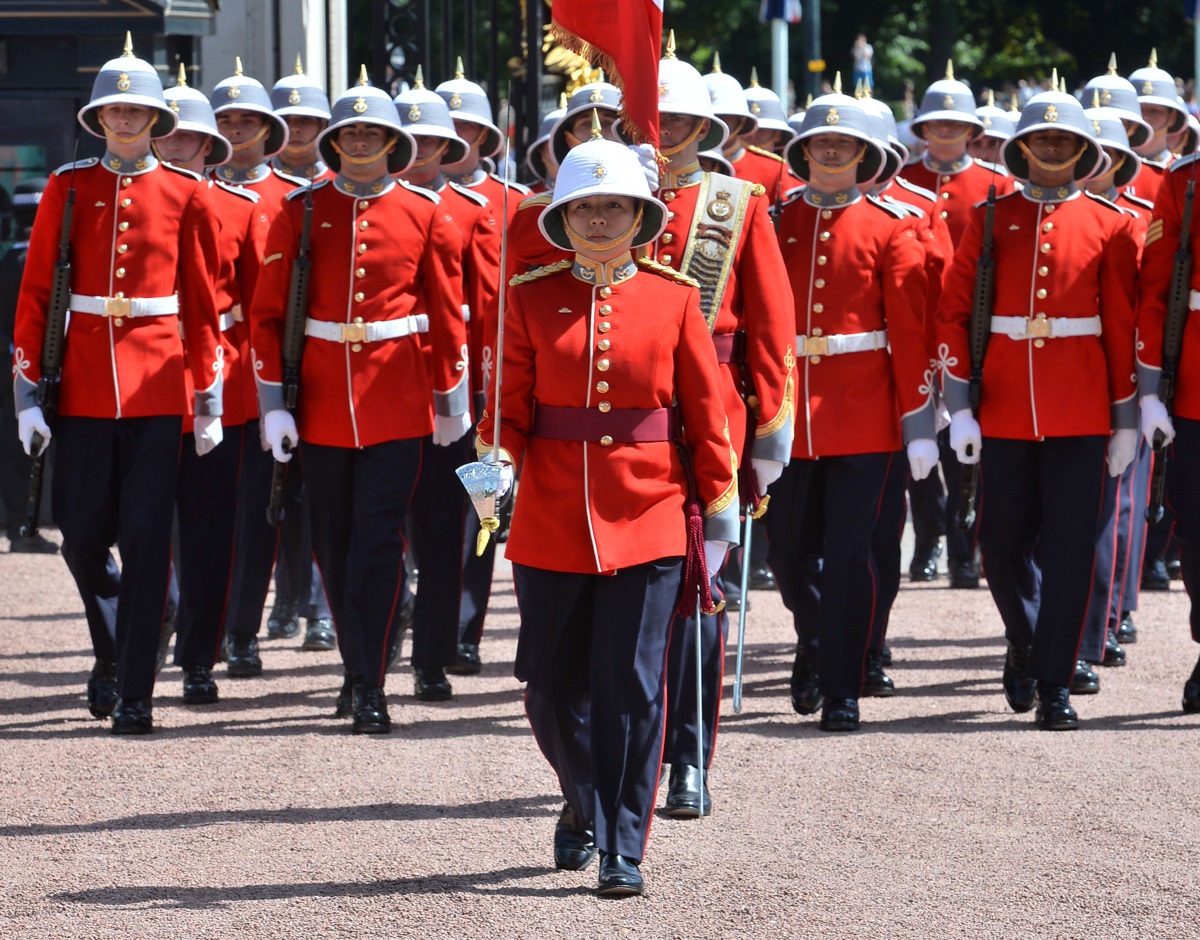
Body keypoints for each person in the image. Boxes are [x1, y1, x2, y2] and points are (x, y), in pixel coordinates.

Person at [476, 123, 738, 897]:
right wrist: (495, 465)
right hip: (553, 514)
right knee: (550, 682)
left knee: (631, 682)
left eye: (613, 207)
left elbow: (703, 414)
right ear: (561, 217)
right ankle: (581, 798)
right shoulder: (529, 300)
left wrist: (717, 514)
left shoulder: (674, 296)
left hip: (651, 509)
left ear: (639, 216)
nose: (598, 220)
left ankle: (624, 844)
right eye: (584, 207)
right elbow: (510, 412)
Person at [12, 36, 222, 734]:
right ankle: (116, 644)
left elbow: (202, 301)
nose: (125, 121)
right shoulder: (68, 186)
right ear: (99, 119)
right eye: (114, 111)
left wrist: (208, 395)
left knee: (143, 537)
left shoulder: (188, 193)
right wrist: (24, 394)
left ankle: (135, 691)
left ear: (157, 119)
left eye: (137, 111)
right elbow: (38, 293)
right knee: (79, 537)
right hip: (83, 391)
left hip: (159, 387)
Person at [250, 72, 470, 733]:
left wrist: (449, 396)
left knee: (378, 542)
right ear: (335, 141)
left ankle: (368, 682)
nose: (361, 141)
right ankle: (355, 665)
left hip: (397, 400)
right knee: (335, 544)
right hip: (318, 401)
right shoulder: (302, 209)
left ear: (393, 141)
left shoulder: (427, 213)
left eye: (373, 131)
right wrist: (273, 404)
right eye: (350, 132)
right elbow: (267, 314)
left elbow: (447, 312)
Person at [936, 88, 1139, 731]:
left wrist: (1126, 415)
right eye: (1041, 140)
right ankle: (1025, 639)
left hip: (1081, 411)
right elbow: (955, 310)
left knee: (1073, 549)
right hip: (1003, 410)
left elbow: (1122, 324)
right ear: (1022, 149)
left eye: (1063, 141)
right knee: (999, 546)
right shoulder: (992, 216)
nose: (1052, 149)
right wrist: (960, 406)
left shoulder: (1110, 224)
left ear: (1083, 151)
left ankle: (1054, 682)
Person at [638, 38, 795, 816]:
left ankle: (689, 760)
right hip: (626, 420)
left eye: (678, 117)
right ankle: (636, 750)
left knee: (701, 594)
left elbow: (770, 328)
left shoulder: (740, 204)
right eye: (653, 112)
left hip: (715, 421)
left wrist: (768, 439)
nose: (663, 127)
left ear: (704, 128)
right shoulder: (606, 192)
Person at [769, 91, 935, 732]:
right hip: (787, 411)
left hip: (864, 414)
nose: (830, 150)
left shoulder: (890, 225)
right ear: (804, 150)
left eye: (842, 144)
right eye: (820, 142)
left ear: (864, 153)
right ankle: (815, 639)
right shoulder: (778, 220)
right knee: (785, 553)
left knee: (848, 554)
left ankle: (842, 683)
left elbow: (909, 332)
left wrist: (919, 421)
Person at [153, 64, 267, 706]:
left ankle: (202, 650)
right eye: (165, 133)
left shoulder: (237, 206)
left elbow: (256, 305)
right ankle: (154, 621)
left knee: (209, 525)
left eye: (186, 138)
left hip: (216, 376)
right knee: (135, 522)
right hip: (139, 376)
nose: (174, 145)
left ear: (206, 147)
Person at [206, 58, 318, 675]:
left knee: (261, 510)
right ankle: (198, 615)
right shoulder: (200, 190)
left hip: (273, 372)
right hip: (212, 369)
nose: (237, 128)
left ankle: (242, 629)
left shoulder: (291, 198)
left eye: (248, 119)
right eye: (225, 119)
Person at [395, 68, 501, 693]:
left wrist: (490, 394)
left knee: (475, 518)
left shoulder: (483, 208)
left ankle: (452, 637)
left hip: (471, 392)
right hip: (395, 384)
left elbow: (488, 311)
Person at [899, 62, 1018, 590]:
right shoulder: (902, 183)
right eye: (936, 124)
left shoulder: (997, 184)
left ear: (973, 131)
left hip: (973, 334)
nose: (945, 132)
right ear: (923, 128)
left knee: (967, 446)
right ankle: (927, 541)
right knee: (919, 445)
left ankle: (964, 547)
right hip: (916, 329)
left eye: (955, 125)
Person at [264, 56, 336, 650]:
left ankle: (315, 603)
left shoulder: (320, 193)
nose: (298, 132)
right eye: (289, 121)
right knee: (284, 497)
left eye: (308, 122)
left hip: (334, 362)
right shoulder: (278, 197)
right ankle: (289, 595)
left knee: (319, 499)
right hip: (289, 356)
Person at [0, 176, 58, 554]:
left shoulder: (6, 262)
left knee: (14, 445)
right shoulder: (44, 266)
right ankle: (30, 524)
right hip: (46, 367)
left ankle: (23, 523)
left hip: (10, 366)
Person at [434, 59, 529, 222]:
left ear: (483, 134)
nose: (454, 131)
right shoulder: (413, 198)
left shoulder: (516, 201)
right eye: (448, 123)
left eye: (465, 124)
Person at [271, 55, 334, 181]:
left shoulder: (338, 181)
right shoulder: (253, 182)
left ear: (323, 125)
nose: (294, 128)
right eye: (285, 120)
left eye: (305, 120)